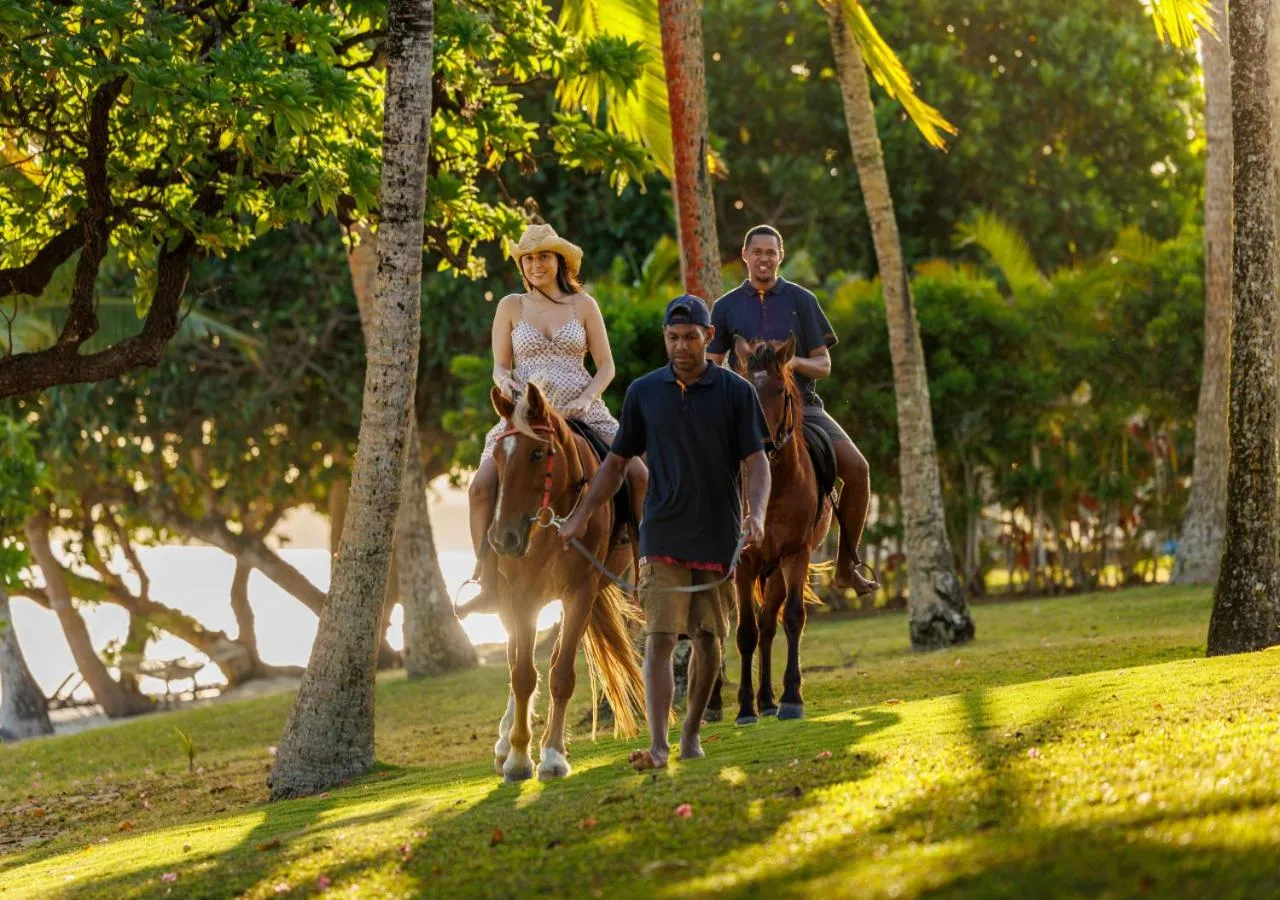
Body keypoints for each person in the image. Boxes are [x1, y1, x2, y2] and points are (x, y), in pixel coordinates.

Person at [559, 295, 771, 770]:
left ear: (708, 337)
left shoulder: (737, 394)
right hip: (661, 536)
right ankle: (658, 745)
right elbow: (614, 465)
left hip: (718, 535)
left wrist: (755, 513)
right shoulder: (644, 392)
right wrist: (578, 516)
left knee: (709, 639)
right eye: (673, 338)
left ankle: (691, 731)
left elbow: (757, 463)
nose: (681, 346)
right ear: (665, 338)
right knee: (658, 637)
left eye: (690, 337)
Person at [462, 223, 647, 615]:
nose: (535, 265)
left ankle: (645, 569)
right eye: (527, 259)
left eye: (543, 256)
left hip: (581, 412)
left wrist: (587, 397)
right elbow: (498, 366)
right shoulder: (511, 306)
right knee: (479, 488)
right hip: (527, 418)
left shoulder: (583, 306)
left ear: (560, 260)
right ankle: (488, 579)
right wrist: (506, 386)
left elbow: (607, 366)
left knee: (639, 475)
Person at [708, 224, 879, 597]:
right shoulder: (724, 307)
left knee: (858, 469)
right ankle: (703, 559)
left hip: (800, 405)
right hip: (744, 409)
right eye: (758, 252)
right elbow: (711, 363)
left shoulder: (802, 300)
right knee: (700, 465)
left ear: (780, 257)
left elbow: (824, 364)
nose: (764, 259)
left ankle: (847, 568)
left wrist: (789, 363)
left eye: (771, 252)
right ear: (745, 255)